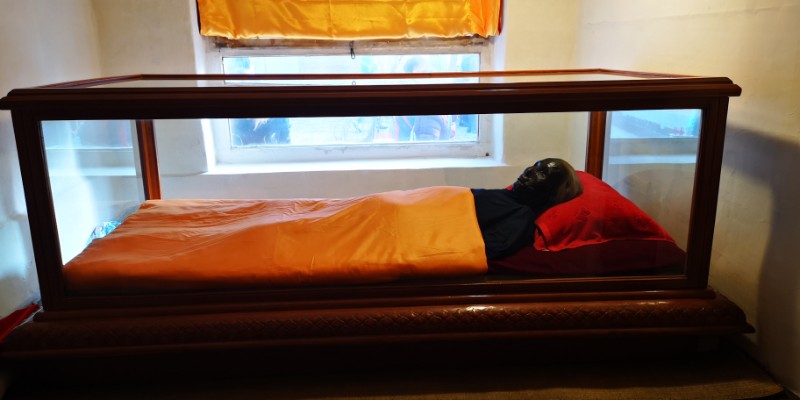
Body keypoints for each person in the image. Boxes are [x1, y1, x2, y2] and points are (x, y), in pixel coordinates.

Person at [472, 158, 583, 260]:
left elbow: (480, 250)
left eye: (542, 173)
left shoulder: (521, 215)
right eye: (535, 165)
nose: (529, 170)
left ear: (553, 193)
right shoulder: (505, 196)